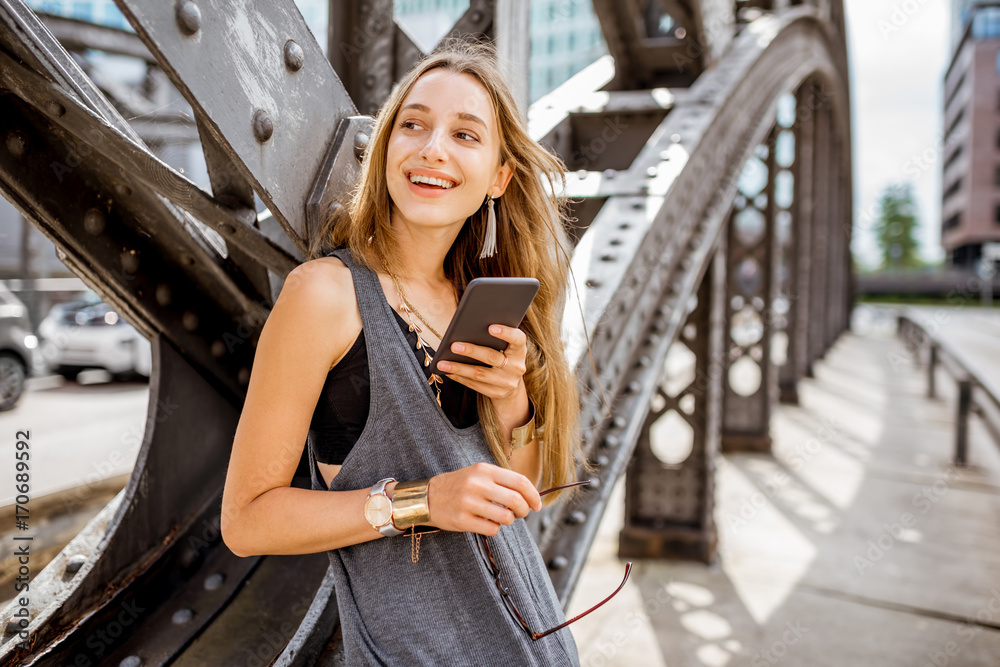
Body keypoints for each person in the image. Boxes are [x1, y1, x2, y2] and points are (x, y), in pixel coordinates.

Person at [221, 39, 598, 665]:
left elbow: (524, 494)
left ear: (500, 177)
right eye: (413, 125)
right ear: (388, 147)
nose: (432, 149)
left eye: (466, 135)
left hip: (537, 645)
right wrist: (426, 500)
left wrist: (513, 400)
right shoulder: (325, 296)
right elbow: (247, 520)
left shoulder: (483, 301)